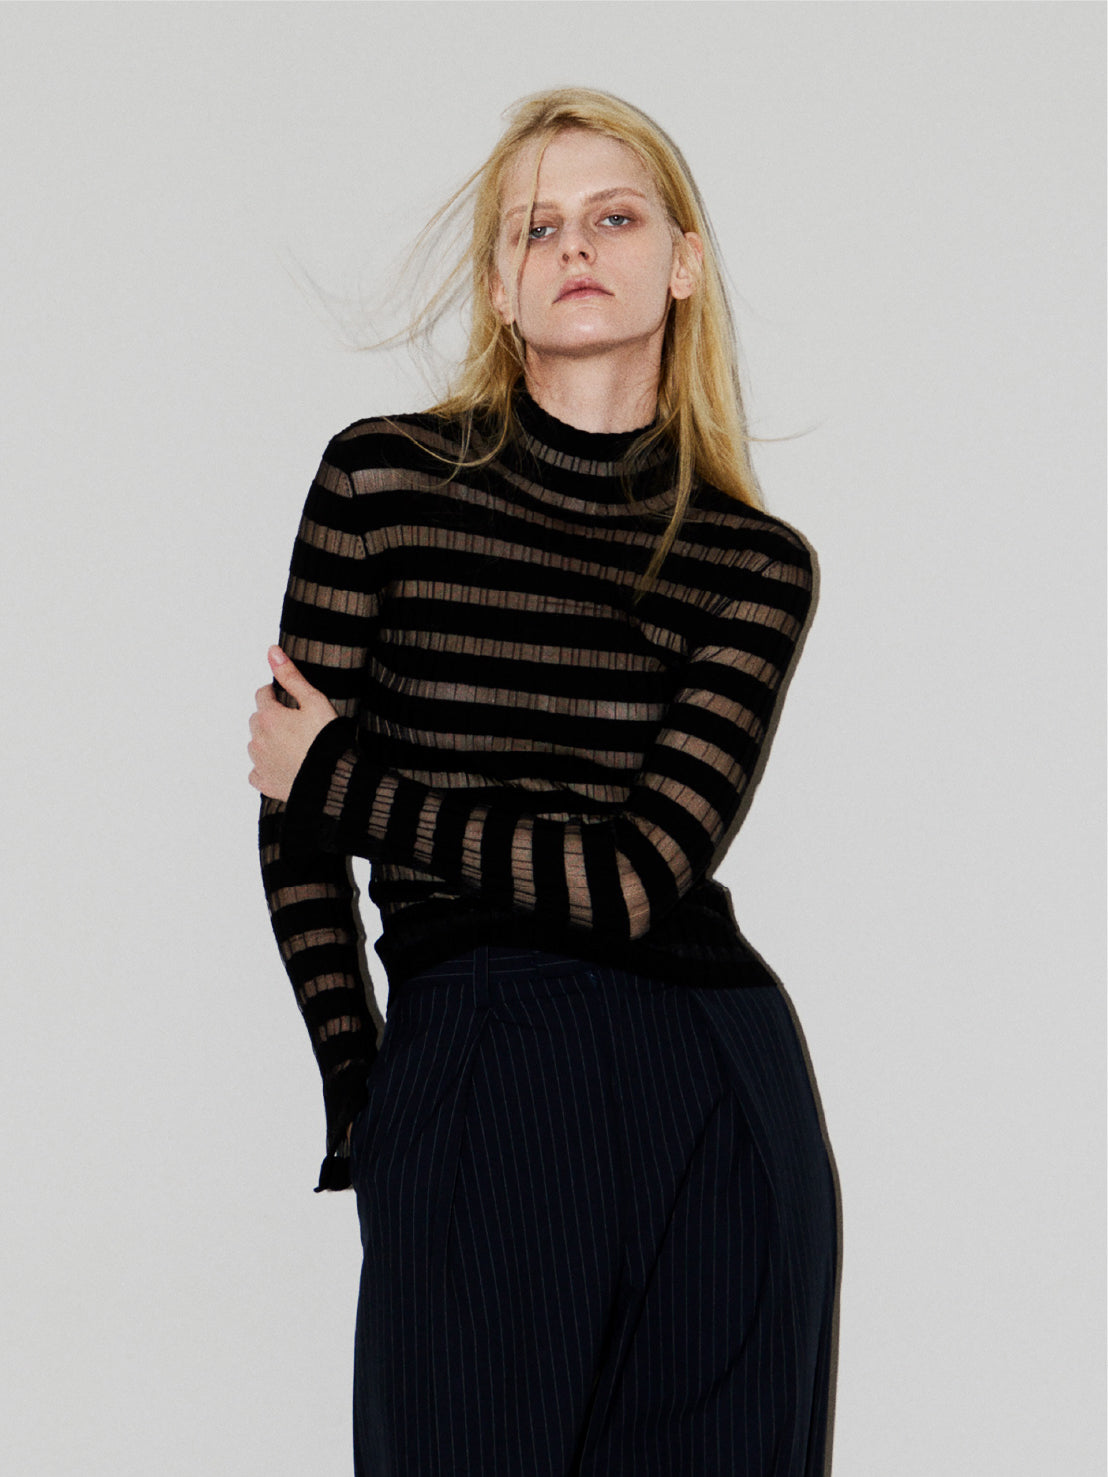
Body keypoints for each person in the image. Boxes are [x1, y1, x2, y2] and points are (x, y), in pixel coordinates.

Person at [248, 87, 837, 1477]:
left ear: (680, 263)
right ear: (501, 285)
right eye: (535, 226)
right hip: (472, 1048)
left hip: (711, 1073)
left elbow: (636, 880)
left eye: (613, 216)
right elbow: (294, 842)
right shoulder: (382, 483)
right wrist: (365, 1093)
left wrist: (344, 780)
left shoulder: (752, 564)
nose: (574, 245)